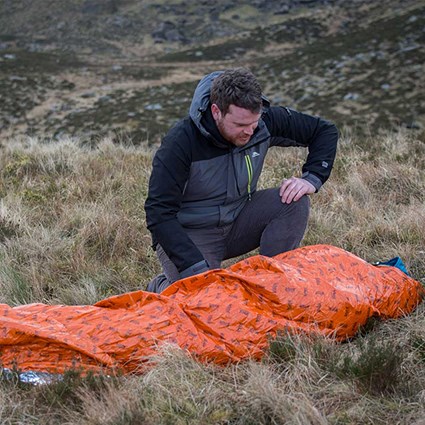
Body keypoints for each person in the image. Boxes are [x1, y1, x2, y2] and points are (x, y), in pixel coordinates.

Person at [144, 68, 338, 293]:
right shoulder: (180, 142)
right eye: (240, 125)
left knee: (294, 202)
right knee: (206, 299)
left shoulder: (262, 122)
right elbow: (159, 212)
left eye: (253, 123)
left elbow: (324, 131)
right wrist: (194, 267)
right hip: (192, 235)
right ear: (216, 112)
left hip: (238, 220)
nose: (249, 132)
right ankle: (162, 286)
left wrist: (312, 178)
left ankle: (273, 284)